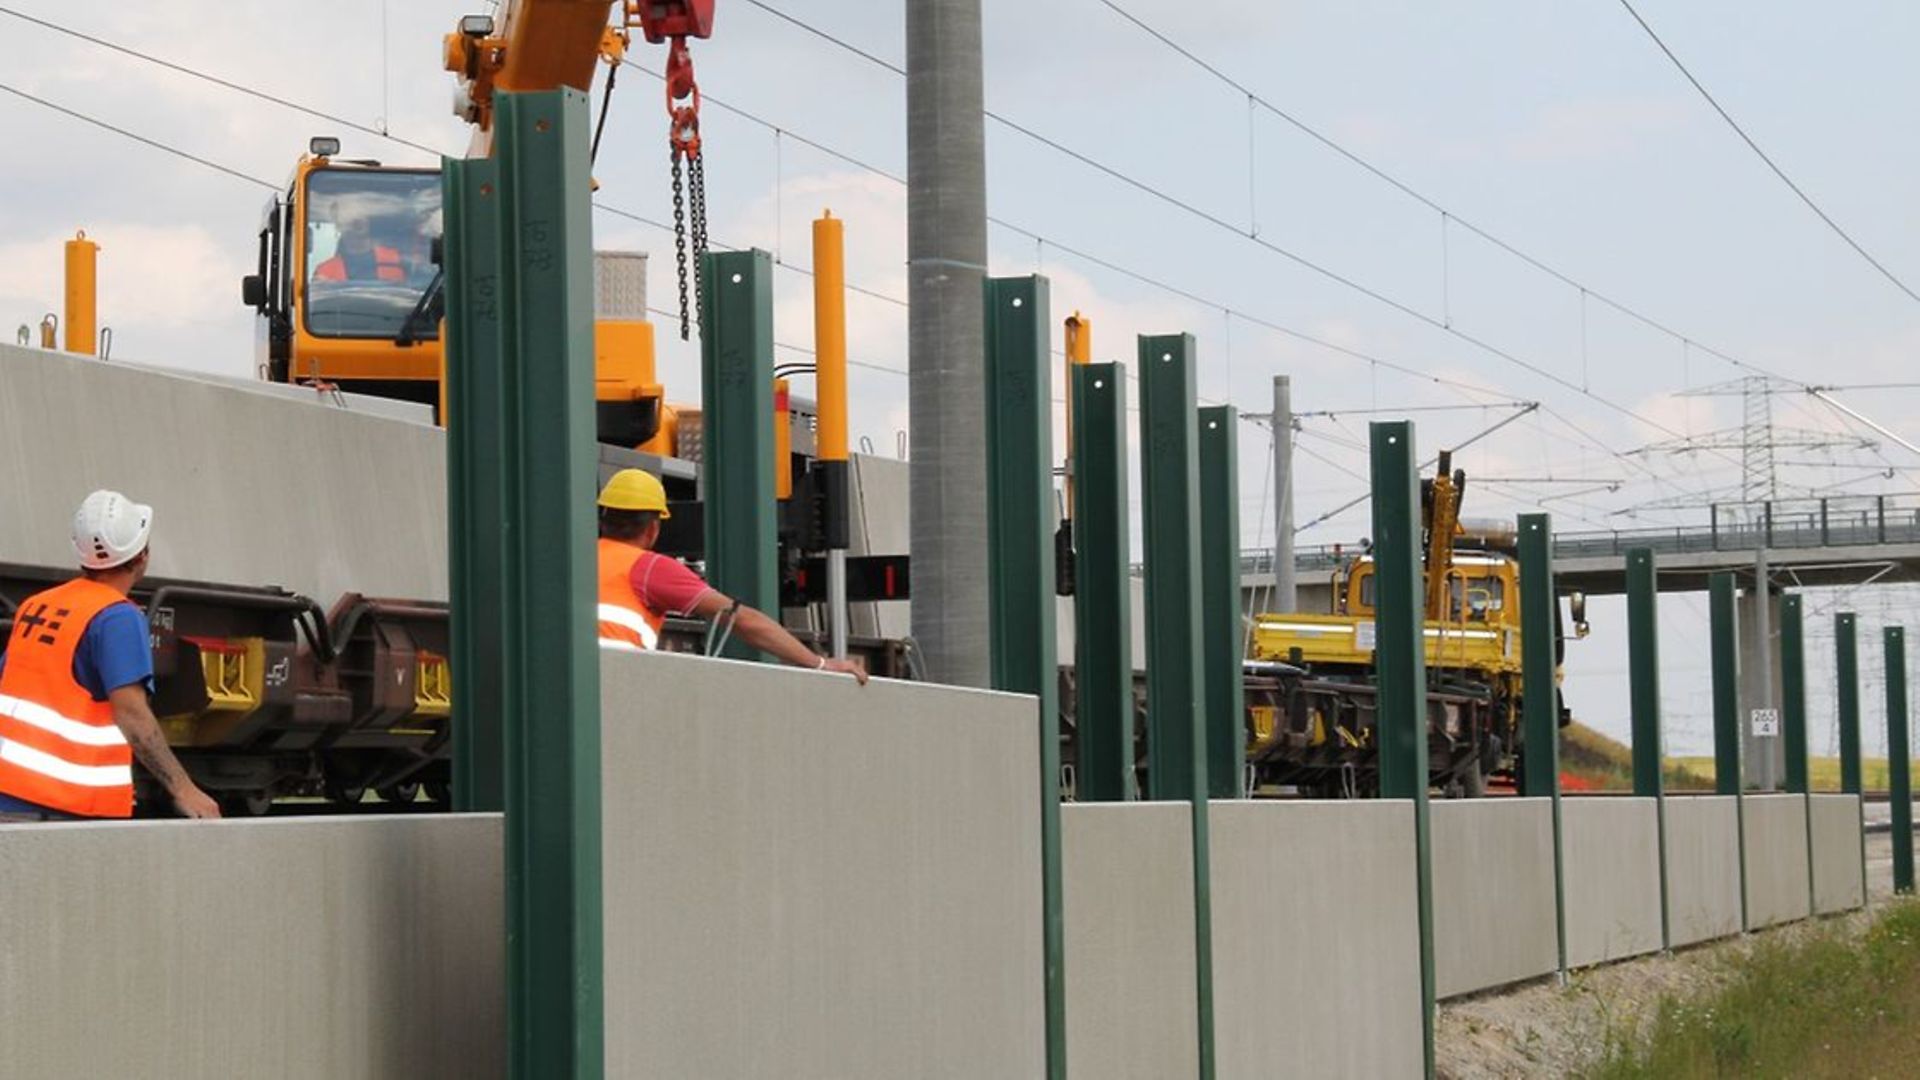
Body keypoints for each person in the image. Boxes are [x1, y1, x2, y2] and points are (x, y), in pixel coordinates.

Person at [0, 491, 221, 822]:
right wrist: (184, 789)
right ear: (142, 554)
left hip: (10, 797)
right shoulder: (117, 617)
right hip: (63, 807)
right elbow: (132, 714)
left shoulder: (37, 605)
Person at [596, 469, 868, 684]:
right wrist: (819, 663)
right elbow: (744, 621)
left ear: (603, 518)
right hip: (617, 687)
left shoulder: (572, 559)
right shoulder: (650, 568)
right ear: (654, 528)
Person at [312, 212, 405, 283]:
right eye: (349, 215)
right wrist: (322, 289)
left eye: (361, 213)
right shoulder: (324, 272)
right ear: (339, 226)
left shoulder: (397, 258)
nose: (357, 218)